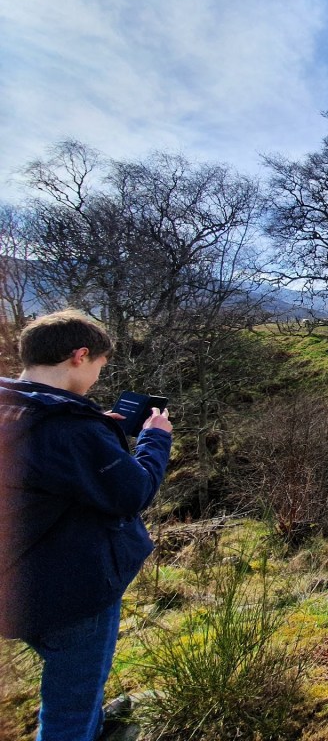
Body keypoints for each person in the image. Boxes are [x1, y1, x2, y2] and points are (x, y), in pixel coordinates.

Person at [0, 310, 173, 741]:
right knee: (69, 708)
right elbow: (132, 494)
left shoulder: (15, 408)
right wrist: (155, 438)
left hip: (16, 583)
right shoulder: (72, 432)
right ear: (80, 356)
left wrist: (96, 430)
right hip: (70, 589)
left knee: (70, 686)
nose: (97, 376)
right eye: (98, 365)